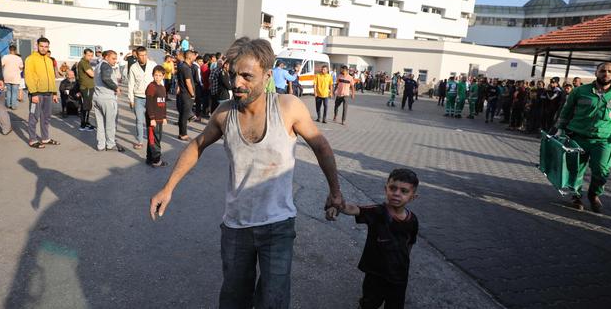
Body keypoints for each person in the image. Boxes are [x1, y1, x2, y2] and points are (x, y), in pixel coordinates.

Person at [149, 37, 345, 309]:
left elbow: (321, 147)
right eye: (233, 75)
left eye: (246, 76)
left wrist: (335, 192)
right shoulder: (224, 113)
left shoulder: (289, 108)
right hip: (236, 227)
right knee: (233, 300)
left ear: (267, 75)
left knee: (273, 301)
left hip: (278, 225)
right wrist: (168, 187)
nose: (237, 83)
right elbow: (197, 145)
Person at [326, 168, 419, 309]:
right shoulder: (377, 212)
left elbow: (409, 244)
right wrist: (338, 206)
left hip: (399, 276)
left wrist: (403, 263)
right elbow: (354, 209)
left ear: (412, 197)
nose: (396, 194)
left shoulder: (413, 220)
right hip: (376, 274)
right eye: (393, 188)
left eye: (404, 191)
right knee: (369, 304)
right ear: (385, 189)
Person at [555, 62, 611, 213]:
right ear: (596, 72)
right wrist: (560, 129)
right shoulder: (580, 91)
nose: (606, 74)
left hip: (602, 141)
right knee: (575, 169)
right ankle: (576, 196)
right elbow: (567, 110)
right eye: (603, 70)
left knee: (602, 170)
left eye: (610, 71)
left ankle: (594, 194)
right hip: (577, 137)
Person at [24, 37, 59, 148]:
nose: (44, 49)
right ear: (37, 46)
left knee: (46, 117)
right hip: (37, 94)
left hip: (48, 93)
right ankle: (33, 140)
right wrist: (33, 93)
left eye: (46, 47)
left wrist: (54, 92)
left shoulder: (49, 60)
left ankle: (45, 138)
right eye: (41, 46)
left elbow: (52, 77)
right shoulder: (30, 59)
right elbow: (28, 76)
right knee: (34, 116)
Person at [93, 50, 124, 152]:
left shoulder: (98, 66)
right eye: (113, 58)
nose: (115, 61)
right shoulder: (106, 66)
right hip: (107, 98)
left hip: (97, 97)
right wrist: (116, 88)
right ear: (106, 57)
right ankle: (110, 144)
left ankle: (101, 145)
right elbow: (106, 78)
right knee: (110, 123)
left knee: (100, 123)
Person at [128, 46, 156, 149]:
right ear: (137, 55)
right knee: (139, 121)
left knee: (150, 121)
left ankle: (151, 140)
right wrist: (131, 99)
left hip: (151, 98)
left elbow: (159, 80)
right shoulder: (133, 67)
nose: (143, 57)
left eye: (145, 55)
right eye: (141, 55)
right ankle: (140, 141)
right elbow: (131, 84)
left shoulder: (153, 65)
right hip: (138, 98)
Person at [146, 65, 168, 167]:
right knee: (154, 140)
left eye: (160, 75)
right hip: (153, 119)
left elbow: (163, 104)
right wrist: (152, 118)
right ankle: (156, 160)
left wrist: (164, 117)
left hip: (160, 118)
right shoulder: (151, 87)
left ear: (163, 76)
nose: (157, 77)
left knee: (156, 138)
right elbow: (149, 104)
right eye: (156, 75)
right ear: (153, 75)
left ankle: (150, 158)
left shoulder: (162, 88)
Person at [175, 50, 195, 141]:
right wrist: (192, 94)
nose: (194, 58)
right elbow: (188, 82)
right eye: (193, 56)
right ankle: (183, 134)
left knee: (182, 114)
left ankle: (181, 133)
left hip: (182, 93)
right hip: (186, 95)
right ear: (189, 57)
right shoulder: (186, 68)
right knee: (184, 115)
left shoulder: (181, 65)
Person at [76, 48, 96, 131]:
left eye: (92, 55)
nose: (90, 57)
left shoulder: (86, 62)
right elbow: (92, 74)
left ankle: (86, 122)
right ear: (84, 54)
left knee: (88, 106)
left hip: (89, 87)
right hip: (86, 87)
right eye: (89, 55)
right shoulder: (83, 62)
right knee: (85, 106)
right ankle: (83, 124)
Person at [1, 44, 23, 110]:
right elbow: (21, 67)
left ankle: (8, 104)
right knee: (14, 92)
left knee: (8, 91)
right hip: (16, 77)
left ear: (9, 50)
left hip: (7, 76)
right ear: (15, 50)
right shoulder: (19, 58)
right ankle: (13, 106)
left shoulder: (5, 57)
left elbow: (1, 65)